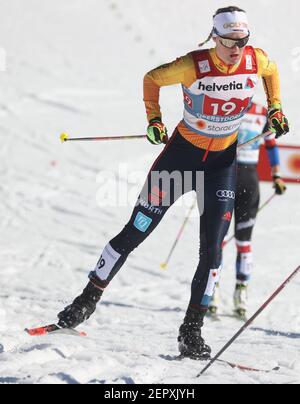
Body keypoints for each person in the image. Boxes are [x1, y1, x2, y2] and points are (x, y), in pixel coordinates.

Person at [56, 6, 289, 360]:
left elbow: (271, 71)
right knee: (136, 231)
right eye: (229, 42)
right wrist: (154, 119)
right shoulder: (194, 64)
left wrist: (276, 108)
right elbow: (151, 78)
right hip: (181, 159)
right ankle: (87, 298)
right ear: (214, 37)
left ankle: (191, 331)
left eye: (242, 42)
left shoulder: (255, 60)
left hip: (221, 165)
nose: (236, 49)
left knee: (212, 251)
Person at [208, 102, 287, 320]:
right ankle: (211, 290)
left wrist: (277, 175)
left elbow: (270, 143)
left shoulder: (262, 112)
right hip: (225, 177)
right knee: (218, 239)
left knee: (244, 241)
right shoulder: (229, 107)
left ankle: (240, 293)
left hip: (249, 180)